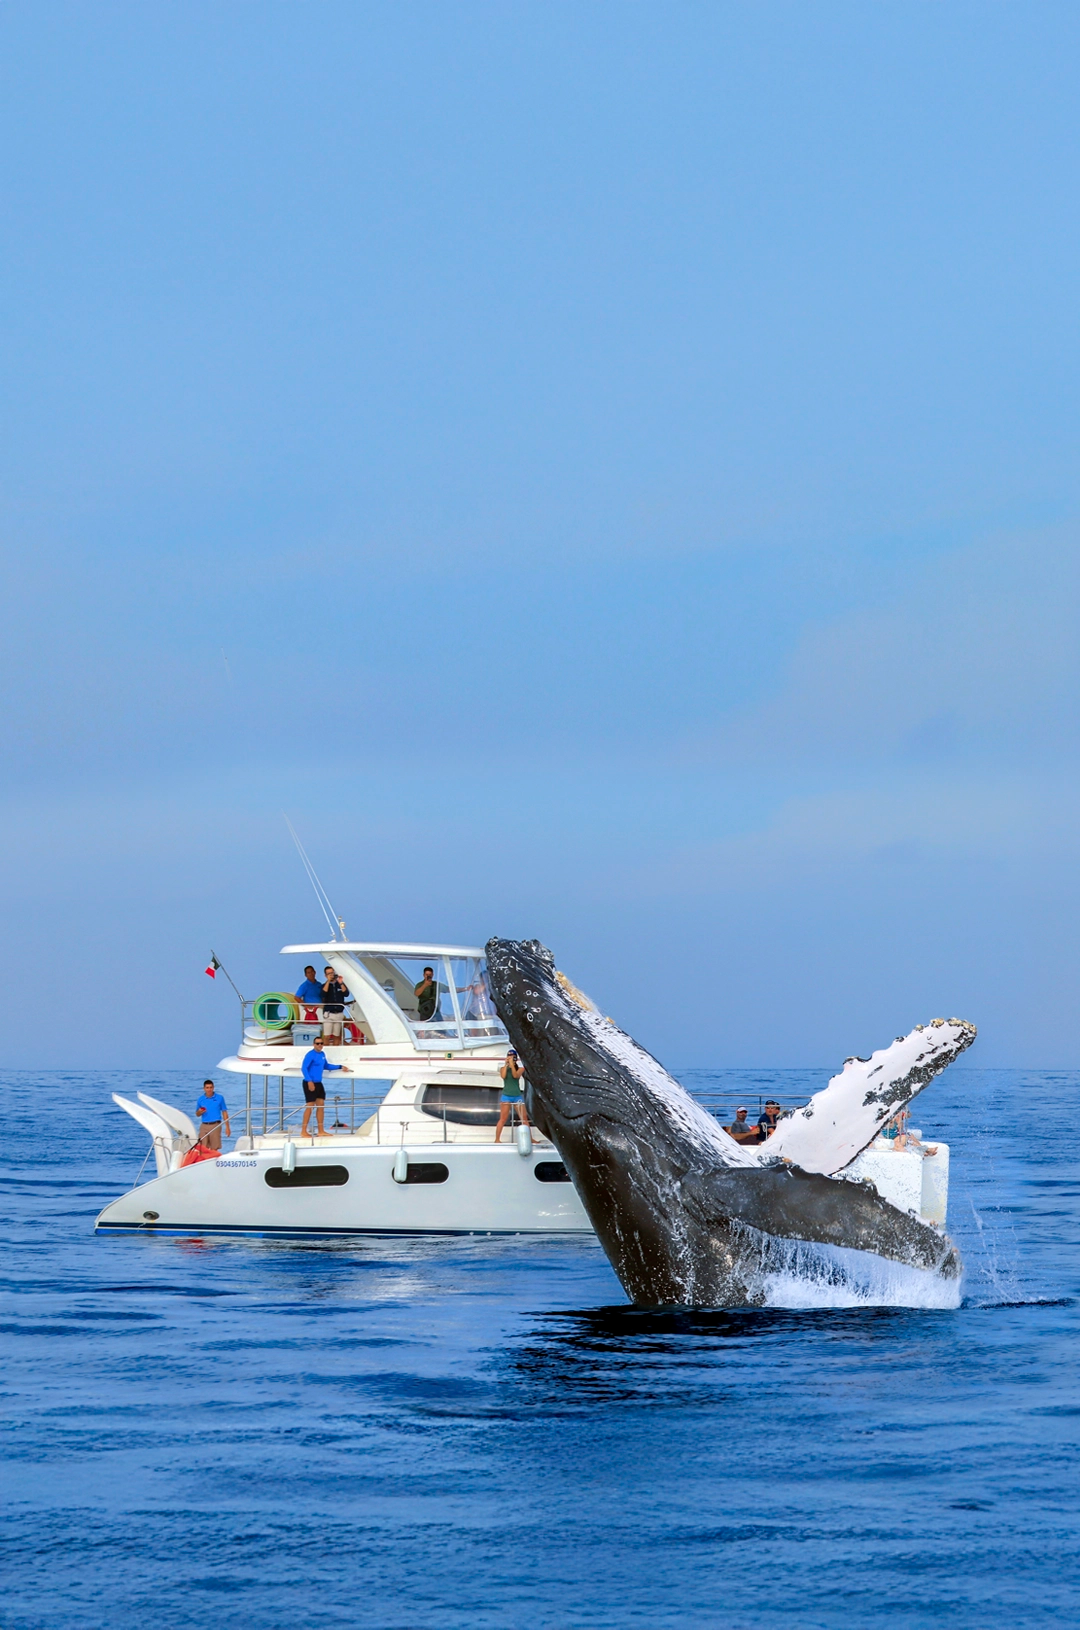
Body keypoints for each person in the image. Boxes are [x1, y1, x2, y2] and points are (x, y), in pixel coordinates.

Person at [300, 1036, 351, 1137]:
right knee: (310, 1107)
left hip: (319, 1083)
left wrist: (340, 1066)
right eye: (317, 1043)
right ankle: (303, 1131)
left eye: (321, 1043)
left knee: (321, 1106)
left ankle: (321, 1131)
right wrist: (309, 1081)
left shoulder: (322, 1054)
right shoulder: (310, 1055)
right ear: (314, 1044)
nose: (319, 1045)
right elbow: (304, 1068)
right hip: (309, 1082)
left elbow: (326, 1066)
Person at [494, 1049, 529, 1143]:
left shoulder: (520, 1069)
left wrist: (512, 1065)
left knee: (524, 1118)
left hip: (517, 1095)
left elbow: (515, 1076)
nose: (511, 1059)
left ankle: (530, 1138)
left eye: (513, 1057)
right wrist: (506, 1064)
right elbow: (503, 1076)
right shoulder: (503, 1069)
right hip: (506, 1096)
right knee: (503, 1119)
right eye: (509, 1057)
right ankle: (497, 1139)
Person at [195, 1079, 230, 1151]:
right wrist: (200, 1111)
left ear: (213, 1088)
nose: (209, 1089)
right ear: (204, 1088)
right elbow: (197, 1114)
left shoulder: (219, 1098)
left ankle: (213, 1160)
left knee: (214, 1148)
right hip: (204, 1125)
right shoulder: (200, 1099)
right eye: (207, 1088)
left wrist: (227, 1127)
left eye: (211, 1087)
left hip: (215, 1124)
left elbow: (224, 1112)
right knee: (202, 1147)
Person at [320, 965, 352, 1043]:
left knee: (337, 1035)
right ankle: (326, 1051)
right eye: (329, 974)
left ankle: (336, 1051)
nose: (331, 975)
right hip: (329, 1014)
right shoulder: (324, 986)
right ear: (325, 975)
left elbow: (346, 994)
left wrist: (340, 983)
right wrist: (328, 981)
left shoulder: (339, 984)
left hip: (338, 1013)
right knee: (326, 1036)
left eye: (332, 973)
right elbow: (323, 994)